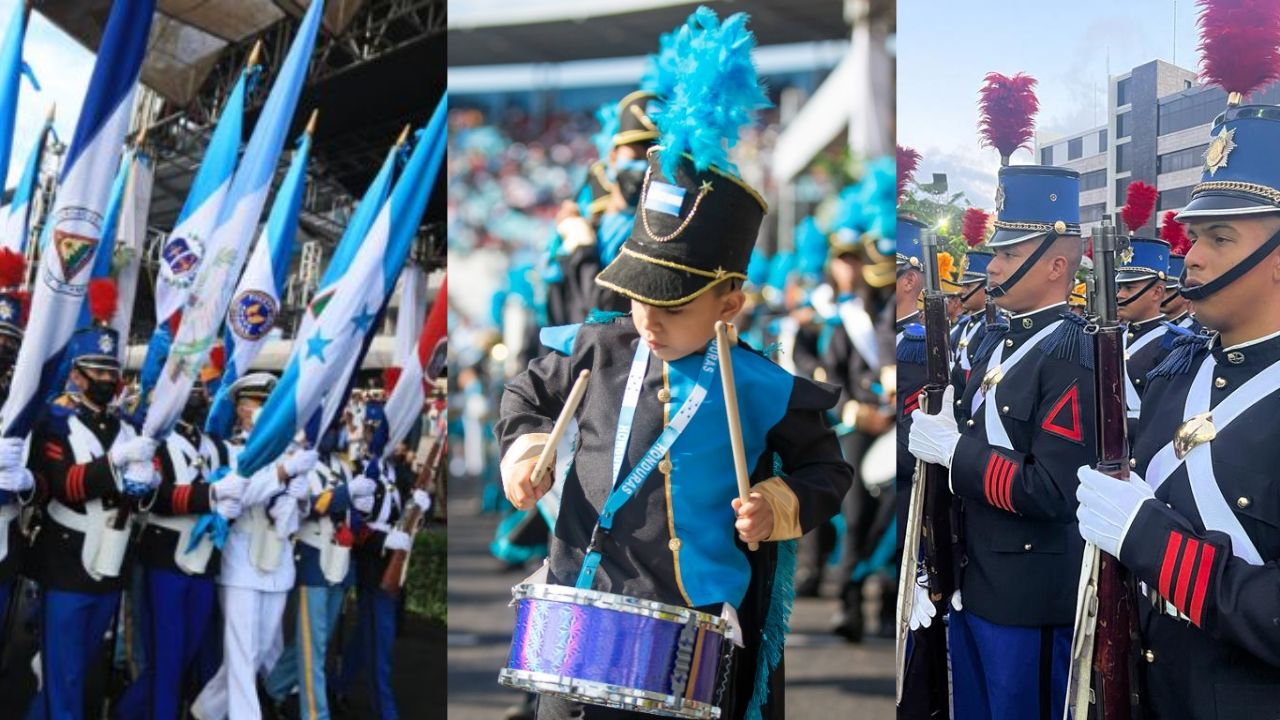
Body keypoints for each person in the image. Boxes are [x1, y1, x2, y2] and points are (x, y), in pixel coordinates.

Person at [496, 10, 852, 718]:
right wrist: (526, 453)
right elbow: (525, 396)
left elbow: (826, 469)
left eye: (673, 303)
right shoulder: (598, 347)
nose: (649, 318)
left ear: (729, 302)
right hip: (579, 601)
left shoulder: (761, 384)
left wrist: (778, 507)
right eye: (637, 297)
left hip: (691, 624)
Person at [1075, 56, 1280, 718]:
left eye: (1219, 237)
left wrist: (1151, 541)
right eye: (1195, 235)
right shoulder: (1174, 376)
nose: (1190, 257)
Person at [908, 163, 1096, 719]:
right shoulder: (995, 342)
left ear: (1056, 264)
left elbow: (1054, 490)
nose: (992, 266)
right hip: (975, 575)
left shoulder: (1071, 355)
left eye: (1009, 255)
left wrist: (955, 451)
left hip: (1028, 594)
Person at [24, 279, 162, 720]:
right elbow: (67, 484)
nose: (106, 380)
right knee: (62, 674)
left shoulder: (126, 429)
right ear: (77, 375)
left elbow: (139, 497)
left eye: (110, 373)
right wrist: (118, 463)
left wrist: (145, 485)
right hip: (65, 563)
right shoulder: (55, 424)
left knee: (78, 669)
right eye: (96, 372)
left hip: (111, 561)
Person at [191, 373, 319, 720]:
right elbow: (240, 491)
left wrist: (299, 496)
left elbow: (301, 512)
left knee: (259, 651)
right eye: (257, 403)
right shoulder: (232, 450)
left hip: (277, 557)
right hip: (242, 558)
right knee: (242, 651)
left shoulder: (292, 450)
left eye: (269, 403)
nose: (262, 410)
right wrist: (282, 473)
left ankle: (204, 711)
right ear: (241, 409)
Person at [115, 377, 242, 720]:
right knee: (168, 656)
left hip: (204, 559)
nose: (199, 395)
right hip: (166, 557)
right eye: (192, 388)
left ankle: (128, 712)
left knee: (187, 650)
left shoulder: (216, 444)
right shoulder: (153, 440)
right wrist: (211, 497)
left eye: (202, 389)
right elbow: (156, 498)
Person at [264, 421, 367, 719]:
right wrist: (345, 494)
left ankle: (273, 687)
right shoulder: (302, 463)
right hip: (313, 558)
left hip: (340, 559)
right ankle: (315, 714)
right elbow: (305, 508)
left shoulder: (343, 465)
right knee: (314, 649)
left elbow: (352, 513)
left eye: (337, 426)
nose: (335, 433)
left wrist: (364, 506)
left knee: (314, 642)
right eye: (330, 427)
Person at [1115, 235, 1172, 429]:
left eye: (1129, 287)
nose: (1120, 294)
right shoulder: (1113, 338)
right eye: (1120, 287)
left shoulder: (1175, 343)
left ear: (1157, 292)